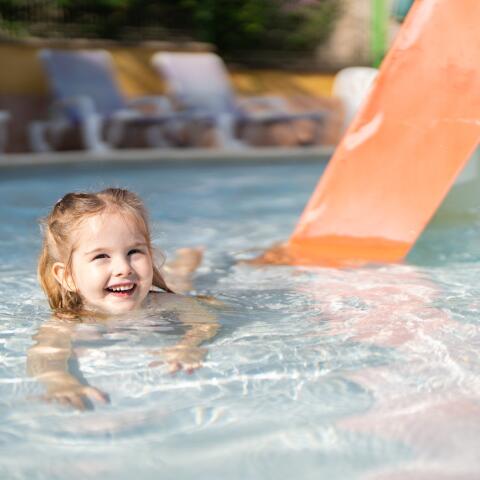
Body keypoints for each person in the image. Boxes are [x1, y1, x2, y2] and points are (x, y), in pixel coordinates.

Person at [27, 188, 219, 410]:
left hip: (167, 291)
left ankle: (187, 261)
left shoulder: (165, 303)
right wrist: (60, 383)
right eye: (101, 256)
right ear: (67, 277)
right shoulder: (67, 322)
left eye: (134, 252)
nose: (123, 268)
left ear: (150, 254)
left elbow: (206, 322)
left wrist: (189, 345)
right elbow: (43, 357)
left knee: (181, 282)